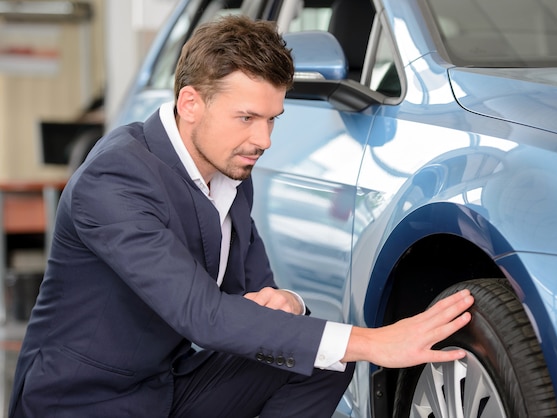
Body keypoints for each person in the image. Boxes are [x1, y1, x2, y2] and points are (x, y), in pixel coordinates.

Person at [9, 15, 474, 418]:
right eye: (247, 118)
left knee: (321, 357)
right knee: (340, 343)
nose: (264, 140)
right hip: (87, 402)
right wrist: (376, 342)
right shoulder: (115, 177)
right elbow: (202, 316)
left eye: (273, 119)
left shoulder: (227, 167)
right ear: (191, 103)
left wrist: (286, 300)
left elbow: (253, 291)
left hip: (167, 387)